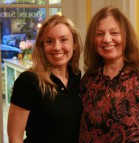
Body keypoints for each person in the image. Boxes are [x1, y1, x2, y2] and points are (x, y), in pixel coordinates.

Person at [79, 6, 139, 143]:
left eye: (114, 33)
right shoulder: (89, 80)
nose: (107, 39)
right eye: (100, 34)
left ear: (126, 36)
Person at [7, 14, 83, 143]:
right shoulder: (28, 81)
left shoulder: (77, 77)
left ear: (74, 44)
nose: (57, 47)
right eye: (49, 41)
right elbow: (15, 138)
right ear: (42, 46)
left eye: (64, 40)